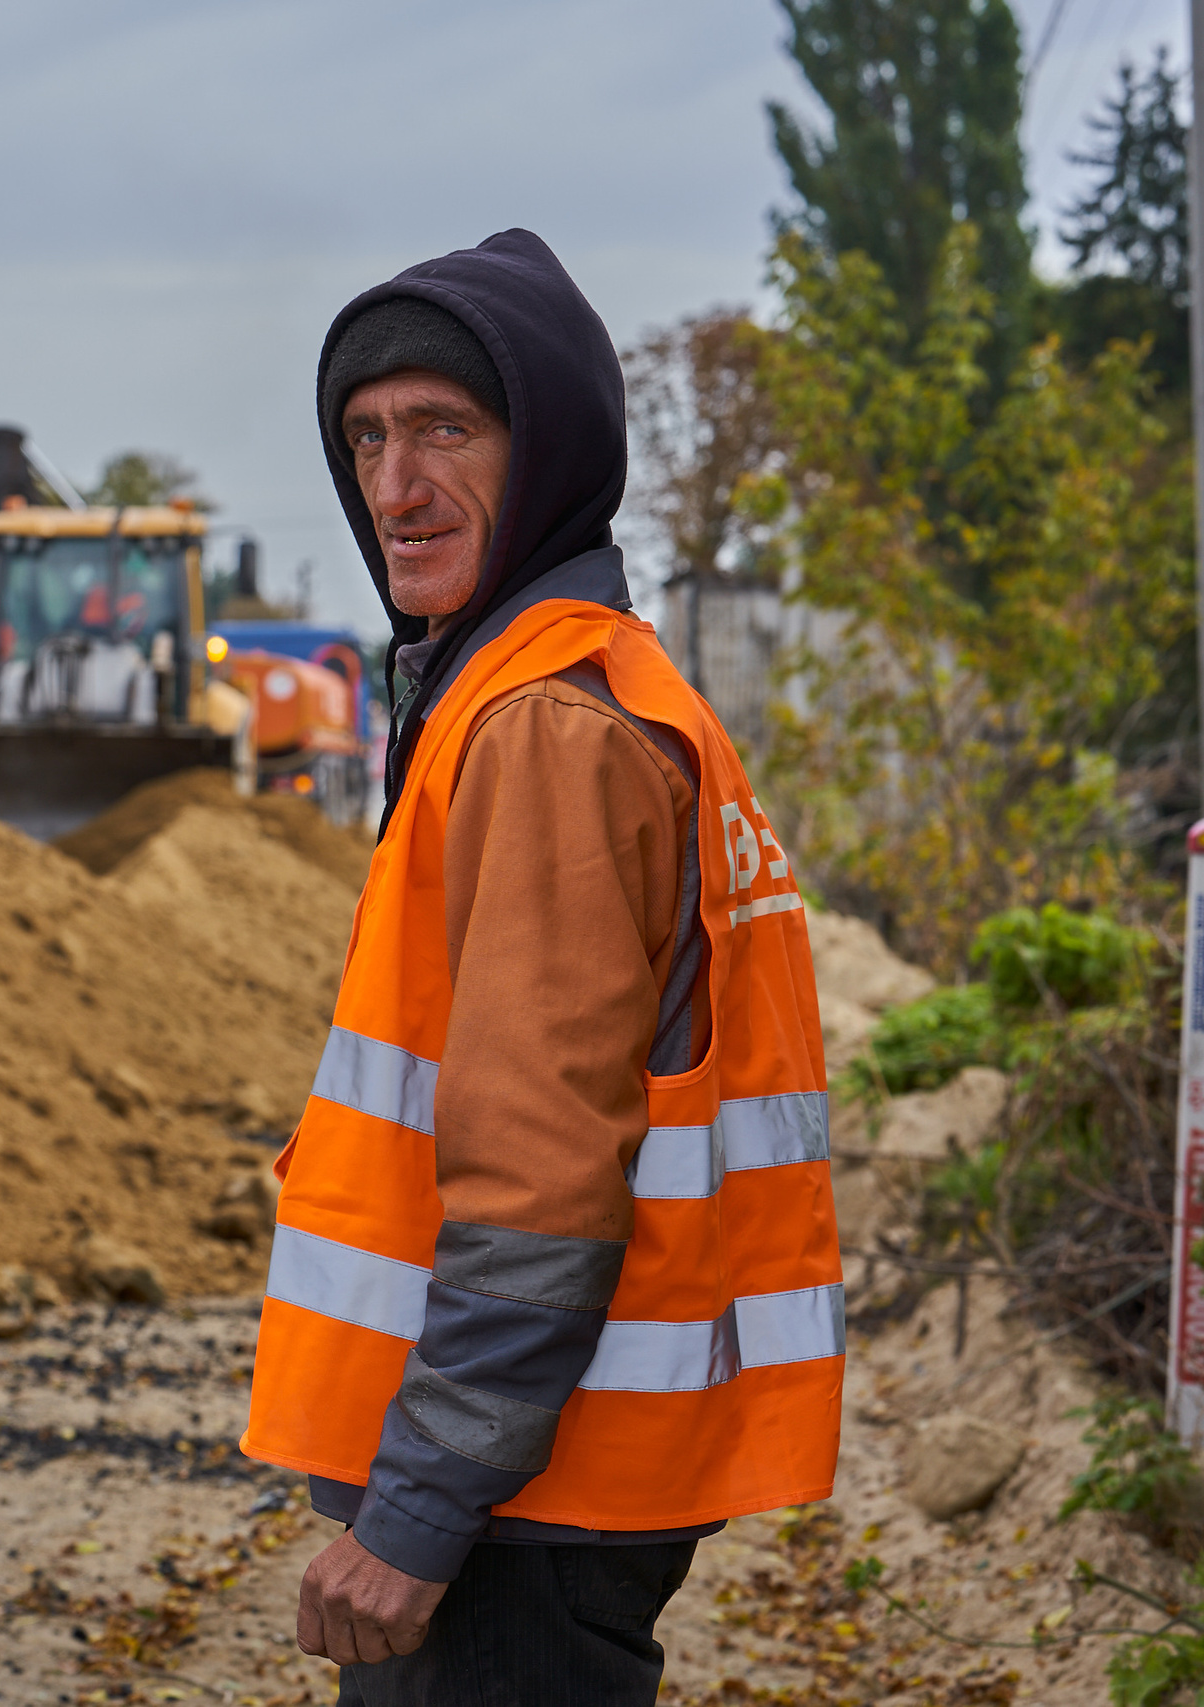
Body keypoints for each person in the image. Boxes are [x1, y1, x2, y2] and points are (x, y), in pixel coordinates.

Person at [240, 230, 841, 1705]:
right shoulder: (570, 691)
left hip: (523, 1497)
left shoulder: (547, 730)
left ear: (552, 445)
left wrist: (422, 1511)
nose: (394, 487)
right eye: (367, 438)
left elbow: (539, 1170)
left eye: (447, 429)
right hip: (546, 1475)